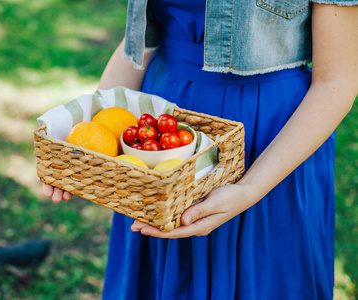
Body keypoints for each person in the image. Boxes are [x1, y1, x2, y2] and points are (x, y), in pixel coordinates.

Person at [43, 1, 358, 299]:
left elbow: (337, 81)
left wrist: (248, 189)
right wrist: (85, 142)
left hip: (271, 142)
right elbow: (140, 40)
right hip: (162, 125)